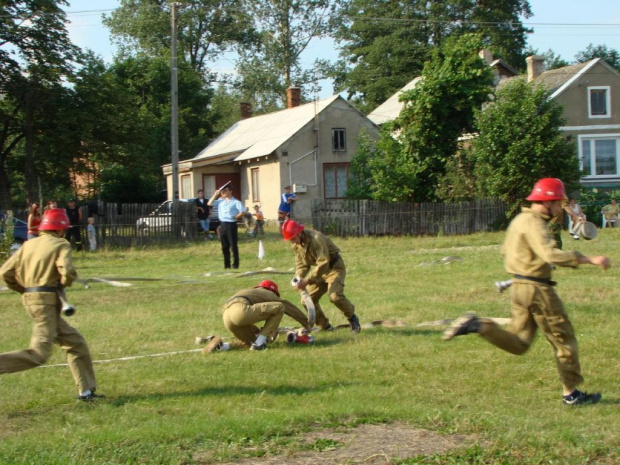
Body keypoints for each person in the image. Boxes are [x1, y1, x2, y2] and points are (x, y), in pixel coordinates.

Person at [444, 178, 609, 406]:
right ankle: (571, 394)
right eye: (557, 203)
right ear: (548, 201)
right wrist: (589, 259)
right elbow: (553, 255)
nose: (559, 208)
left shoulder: (519, 220)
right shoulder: (535, 223)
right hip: (538, 289)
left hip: (518, 287)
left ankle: (479, 325)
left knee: (520, 342)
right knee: (564, 340)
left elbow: (506, 252)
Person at [0, 208, 103, 401]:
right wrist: (63, 283)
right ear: (61, 229)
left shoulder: (28, 245)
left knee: (75, 343)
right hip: (46, 303)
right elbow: (68, 272)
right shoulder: (60, 244)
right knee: (38, 354)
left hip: (32, 301)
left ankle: (86, 392)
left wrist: (23, 289)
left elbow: (5, 272)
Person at [281, 219, 361, 333]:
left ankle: (353, 318)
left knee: (335, 297)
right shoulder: (296, 245)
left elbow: (324, 262)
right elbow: (302, 265)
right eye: (290, 239)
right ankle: (325, 327)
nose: (292, 242)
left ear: (299, 233)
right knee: (306, 300)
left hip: (334, 267)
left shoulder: (316, 239)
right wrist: (298, 279)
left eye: (293, 238)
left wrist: (307, 280)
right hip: (319, 271)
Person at [205, 280, 313, 352]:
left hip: (226, 317)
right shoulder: (266, 292)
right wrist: (306, 323)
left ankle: (222, 347)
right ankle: (259, 344)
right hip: (240, 311)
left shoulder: (249, 291)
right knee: (280, 307)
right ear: (272, 290)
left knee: (250, 342)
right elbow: (286, 305)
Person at [207, 183, 245, 269]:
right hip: (223, 224)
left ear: (230, 191)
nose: (224, 192)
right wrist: (215, 194)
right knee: (224, 246)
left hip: (231, 224)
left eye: (226, 190)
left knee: (233, 245)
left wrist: (236, 217)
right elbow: (209, 203)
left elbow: (243, 211)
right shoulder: (221, 201)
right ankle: (227, 265)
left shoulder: (235, 202)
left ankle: (235, 264)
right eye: (223, 191)